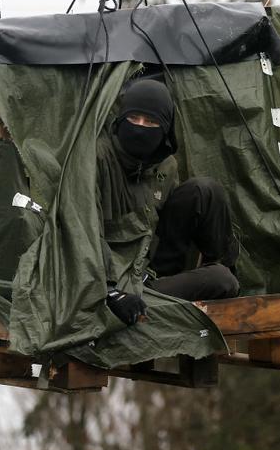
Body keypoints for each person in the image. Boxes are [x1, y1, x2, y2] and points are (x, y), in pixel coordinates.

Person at [97, 77, 240, 325]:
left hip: (153, 267)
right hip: (118, 279)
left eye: (151, 122)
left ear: (164, 129)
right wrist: (111, 291)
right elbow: (83, 236)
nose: (140, 128)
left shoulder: (165, 165)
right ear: (120, 120)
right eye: (133, 119)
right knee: (222, 282)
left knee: (205, 190)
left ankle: (219, 275)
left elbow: (172, 220)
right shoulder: (99, 160)